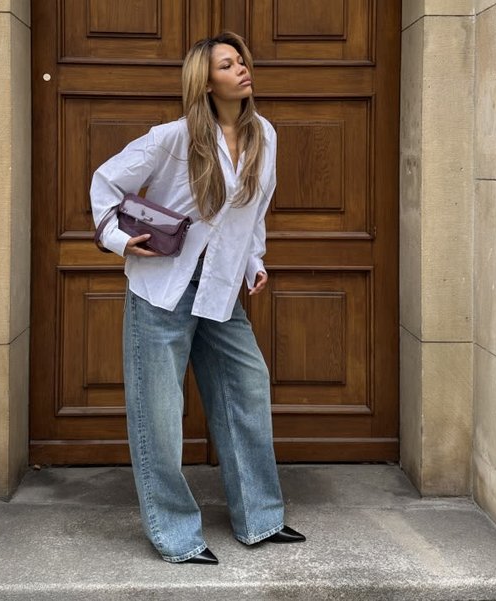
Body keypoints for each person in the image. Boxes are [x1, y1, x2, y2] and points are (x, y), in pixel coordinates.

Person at [91, 32, 305, 565]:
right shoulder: (174, 137)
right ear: (206, 82)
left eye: (242, 62)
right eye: (228, 65)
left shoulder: (265, 137)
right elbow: (106, 182)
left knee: (246, 389)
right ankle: (176, 535)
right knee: (159, 413)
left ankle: (260, 518)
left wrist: (254, 263)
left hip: (220, 290)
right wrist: (119, 240)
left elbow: (254, 213)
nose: (242, 70)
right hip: (162, 288)